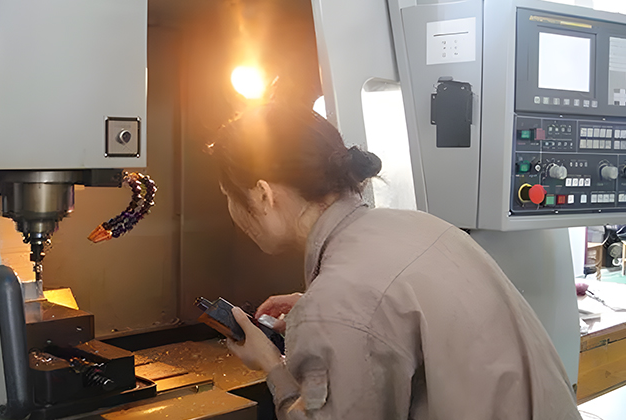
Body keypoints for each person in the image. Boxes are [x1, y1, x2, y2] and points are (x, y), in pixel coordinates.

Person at [207, 100, 582, 419]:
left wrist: (272, 365)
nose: (230, 211)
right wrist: (318, 313)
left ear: (263, 195)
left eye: (228, 196)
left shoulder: (341, 301)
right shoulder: (416, 225)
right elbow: (385, 311)